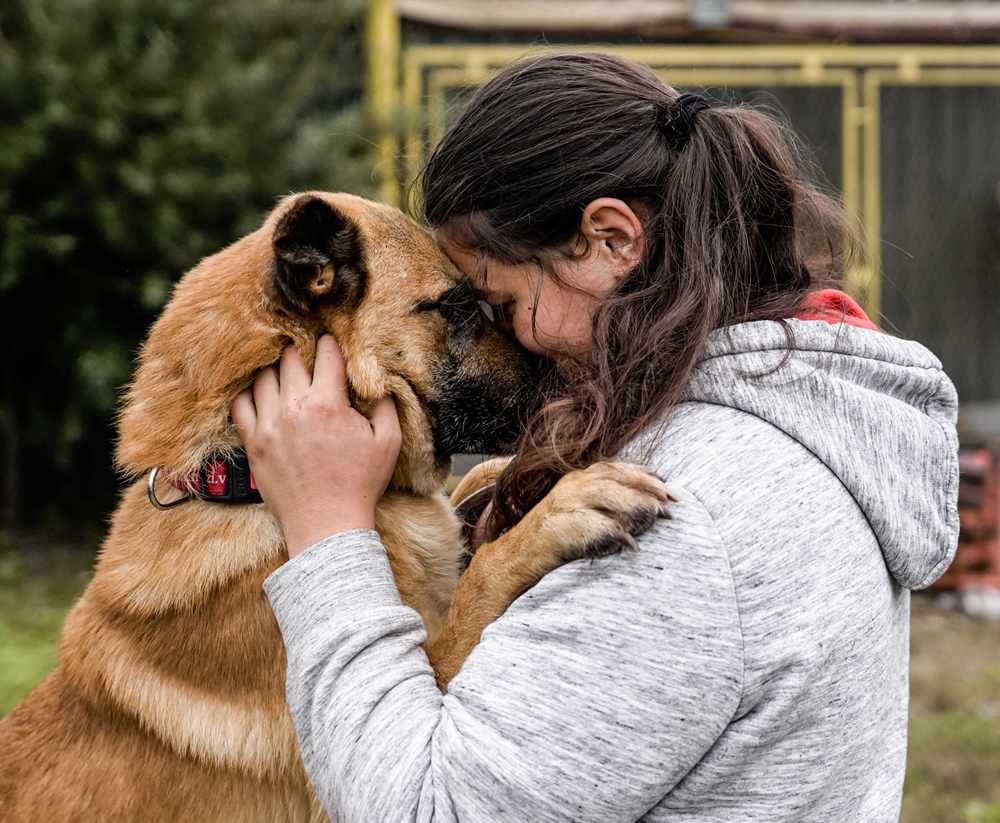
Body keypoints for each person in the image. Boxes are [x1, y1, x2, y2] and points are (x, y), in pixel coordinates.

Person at [231, 52, 959, 822]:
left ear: (613, 238)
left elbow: (425, 806)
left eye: (503, 306)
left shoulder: (686, 523)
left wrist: (327, 532)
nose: (508, 348)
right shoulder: (793, 424)